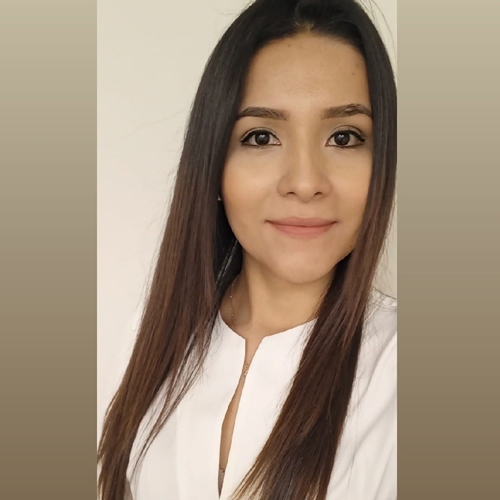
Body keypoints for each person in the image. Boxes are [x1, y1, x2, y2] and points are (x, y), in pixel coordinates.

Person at [98, 0, 397, 499]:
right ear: (214, 163)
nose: (305, 182)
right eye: (261, 137)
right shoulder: (151, 337)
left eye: (344, 137)